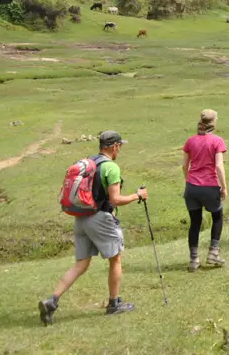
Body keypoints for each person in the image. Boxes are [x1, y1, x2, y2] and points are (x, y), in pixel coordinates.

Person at [39, 131, 148, 325]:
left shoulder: (90, 162)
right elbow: (115, 199)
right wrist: (137, 195)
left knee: (81, 264)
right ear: (114, 146)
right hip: (99, 218)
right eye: (119, 146)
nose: (119, 149)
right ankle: (114, 304)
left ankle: (52, 301)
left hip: (81, 219)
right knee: (115, 259)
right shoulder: (111, 167)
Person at [182, 109, 228, 272]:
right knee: (217, 216)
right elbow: (218, 165)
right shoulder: (217, 141)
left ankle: (194, 260)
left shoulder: (190, 141)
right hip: (209, 186)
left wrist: (189, 180)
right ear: (214, 122)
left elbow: (184, 165)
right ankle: (213, 253)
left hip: (192, 187)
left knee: (195, 223)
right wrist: (224, 186)